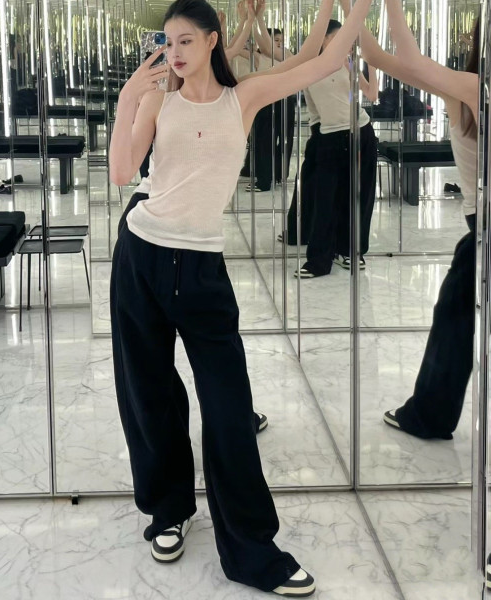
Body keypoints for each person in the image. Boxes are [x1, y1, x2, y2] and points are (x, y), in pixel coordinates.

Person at [108, 0, 372, 596]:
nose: (174, 53)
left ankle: (252, 549)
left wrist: (353, 7)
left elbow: (322, 58)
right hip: (142, 253)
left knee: (228, 407)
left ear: (212, 41)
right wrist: (128, 98)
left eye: (185, 41)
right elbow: (123, 172)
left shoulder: (242, 98)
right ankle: (168, 509)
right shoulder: (158, 98)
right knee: (149, 391)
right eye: (167, 42)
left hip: (203, 266)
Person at [336, 0, 479, 439]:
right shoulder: (466, 88)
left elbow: (400, 59)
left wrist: (386, 4)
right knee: (454, 311)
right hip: (479, 232)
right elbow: (378, 58)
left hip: (483, 230)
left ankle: (430, 415)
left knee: (454, 315)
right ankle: (430, 414)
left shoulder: (472, 87)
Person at [294, 19, 379, 278]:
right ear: (323, 39)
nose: (346, 43)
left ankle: (351, 251)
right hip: (329, 136)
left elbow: (370, 94)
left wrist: (372, 64)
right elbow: (315, 110)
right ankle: (319, 260)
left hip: (361, 131)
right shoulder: (309, 67)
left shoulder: (348, 62)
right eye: (338, 37)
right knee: (325, 201)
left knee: (359, 196)